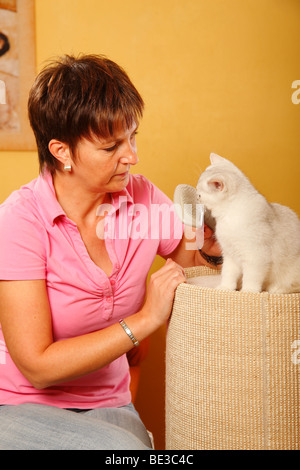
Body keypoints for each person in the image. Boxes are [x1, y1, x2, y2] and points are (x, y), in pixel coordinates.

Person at [0, 54, 220, 450]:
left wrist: (214, 248)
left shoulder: (141, 198)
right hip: (17, 405)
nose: (132, 156)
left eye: (132, 137)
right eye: (110, 146)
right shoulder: (19, 222)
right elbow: (38, 367)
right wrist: (146, 318)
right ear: (61, 152)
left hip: (111, 402)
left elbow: (191, 264)